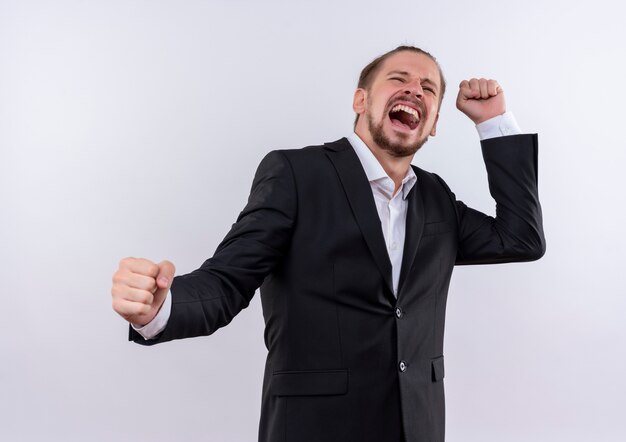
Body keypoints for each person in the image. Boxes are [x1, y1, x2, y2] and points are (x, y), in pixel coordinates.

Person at [111, 45, 545, 442]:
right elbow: (228, 281)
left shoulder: (437, 199)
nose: (415, 90)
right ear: (361, 101)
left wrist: (494, 122)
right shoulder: (297, 174)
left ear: (432, 125)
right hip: (315, 428)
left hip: (417, 426)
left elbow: (521, 238)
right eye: (399, 79)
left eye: (428, 88)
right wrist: (159, 308)